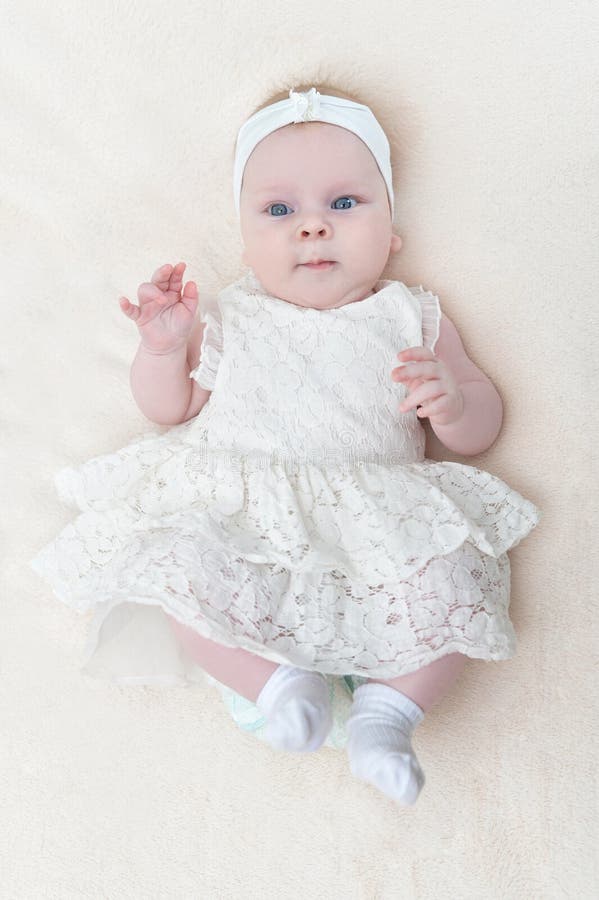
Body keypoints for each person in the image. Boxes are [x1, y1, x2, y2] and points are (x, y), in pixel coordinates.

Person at [29, 85, 540, 806]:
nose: (311, 229)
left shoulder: (409, 314)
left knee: (455, 578)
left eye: (343, 205)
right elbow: (170, 410)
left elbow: (481, 429)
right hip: (246, 514)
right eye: (279, 211)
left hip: (374, 519)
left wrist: (452, 404)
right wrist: (161, 349)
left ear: (391, 230)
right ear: (244, 242)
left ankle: (386, 715)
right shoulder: (233, 317)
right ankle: (277, 684)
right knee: (177, 564)